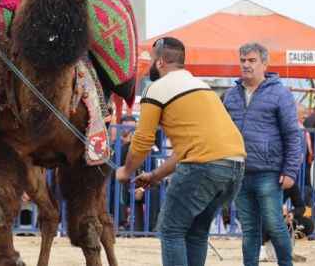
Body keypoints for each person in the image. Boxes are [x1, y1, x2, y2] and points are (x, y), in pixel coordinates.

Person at [115, 37, 246, 266]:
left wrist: (126, 171)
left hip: (204, 165)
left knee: (170, 229)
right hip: (234, 165)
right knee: (196, 232)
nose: (148, 65)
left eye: (151, 60)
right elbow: (187, 150)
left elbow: (144, 140)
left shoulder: (156, 88)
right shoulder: (200, 86)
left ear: (161, 62)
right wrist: (155, 176)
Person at [223, 42, 301, 266]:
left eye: (252, 60)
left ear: (265, 63)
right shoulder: (231, 95)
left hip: (269, 172)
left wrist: (290, 171)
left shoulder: (280, 93)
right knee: (249, 231)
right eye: (243, 60)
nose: (246, 65)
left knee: (275, 226)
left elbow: (292, 135)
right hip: (240, 172)